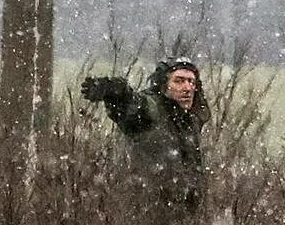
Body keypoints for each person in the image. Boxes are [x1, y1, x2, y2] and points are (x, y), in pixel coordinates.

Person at [80, 57, 211, 211]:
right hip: (147, 212)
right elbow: (133, 105)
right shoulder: (153, 110)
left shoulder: (191, 119)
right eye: (179, 81)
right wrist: (116, 92)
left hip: (188, 216)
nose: (187, 87)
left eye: (191, 82)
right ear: (164, 86)